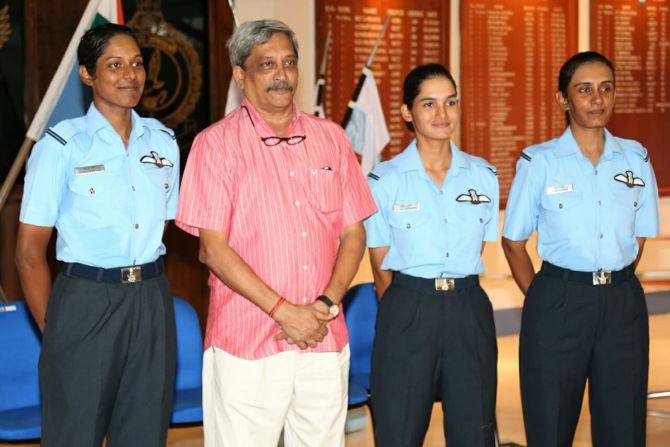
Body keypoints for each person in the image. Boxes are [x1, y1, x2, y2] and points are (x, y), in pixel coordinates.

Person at [175, 19, 376, 447]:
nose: (281, 74)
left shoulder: (332, 140)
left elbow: (353, 234)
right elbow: (212, 249)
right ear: (240, 75)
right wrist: (287, 312)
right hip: (248, 343)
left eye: (288, 62)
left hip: (323, 337)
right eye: (266, 64)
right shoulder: (215, 145)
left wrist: (323, 304)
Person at [15, 23, 179, 447]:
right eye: (115, 65)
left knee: (145, 433)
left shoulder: (163, 142)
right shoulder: (62, 146)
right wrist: (58, 331)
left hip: (150, 298)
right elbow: (29, 254)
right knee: (75, 434)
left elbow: (161, 226)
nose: (131, 75)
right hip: (86, 299)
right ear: (87, 74)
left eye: (137, 64)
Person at [502, 51, 659, 446]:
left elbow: (639, 233)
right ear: (563, 99)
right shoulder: (539, 162)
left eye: (606, 89)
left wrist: (612, 275)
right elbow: (513, 242)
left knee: (623, 426)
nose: (597, 99)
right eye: (584, 89)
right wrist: (542, 297)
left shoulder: (635, 159)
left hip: (623, 304)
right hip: (559, 299)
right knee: (551, 424)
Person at [364, 63, 499, 447]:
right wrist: (410, 310)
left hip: (468, 308)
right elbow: (380, 267)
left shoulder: (483, 175)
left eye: (450, 102)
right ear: (407, 112)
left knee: (473, 432)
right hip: (407, 308)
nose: (442, 114)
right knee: (400, 431)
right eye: (429, 104)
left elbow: (478, 249)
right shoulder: (384, 181)